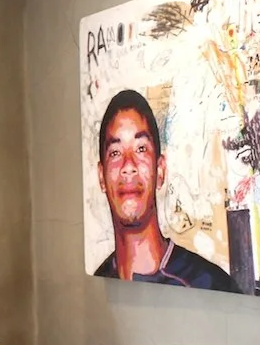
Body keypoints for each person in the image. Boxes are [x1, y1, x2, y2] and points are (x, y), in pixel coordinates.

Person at [93, 89, 241, 292]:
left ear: (160, 170)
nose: (128, 166)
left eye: (141, 149)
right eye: (116, 152)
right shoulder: (96, 286)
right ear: (102, 177)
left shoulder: (212, 285)